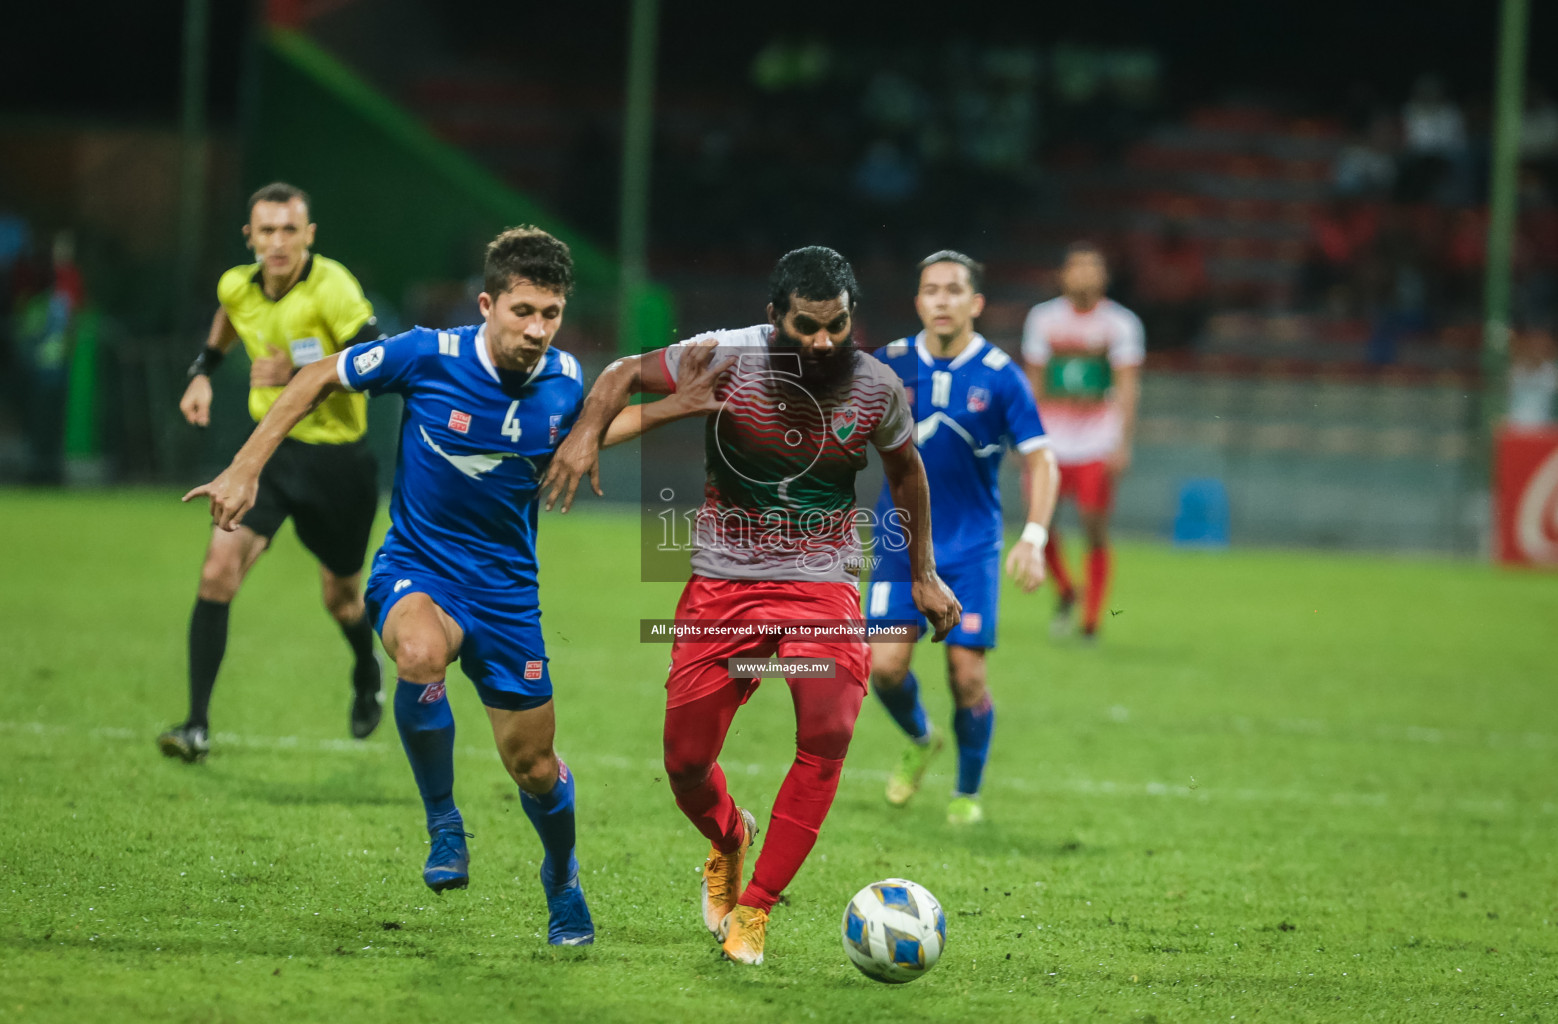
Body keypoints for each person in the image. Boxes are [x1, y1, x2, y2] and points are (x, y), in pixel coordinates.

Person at [182, 225, 628, 945]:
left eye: (550, 313)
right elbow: (315, 374)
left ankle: (563, 875)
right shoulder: (427, 353)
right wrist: (246, 465)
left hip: (508, 592)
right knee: (418, 655)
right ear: (487, 305)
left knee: (536, 766)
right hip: (419, 568)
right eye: (523, 311)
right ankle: (445, 823)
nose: (537, 328)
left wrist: (680, 407)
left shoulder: (568, 378)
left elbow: (596, 424)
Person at [542, 246, 960, 966]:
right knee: (684, 763)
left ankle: (755, 912)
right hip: (722, 583)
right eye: (808, 326)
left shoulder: (878, 387)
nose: (825, 341)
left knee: (827, 732)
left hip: (821, 580)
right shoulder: (725, 356)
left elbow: (907, 470)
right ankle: (730, 837)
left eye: (838, 325)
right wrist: (584, 436)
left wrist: (923, 573)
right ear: (774, 319)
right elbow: (618, 374)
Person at [158, 183, 385, 762]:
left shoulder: (331, 287)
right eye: (267, 231)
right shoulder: (237, 284)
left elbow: (378, 358)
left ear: (309, 235)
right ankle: (196, 726)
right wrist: (204, 370)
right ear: (250, 237)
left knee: (341, 598)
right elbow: (230, 314)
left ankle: (366, 669)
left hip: (339, 464)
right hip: (271, 455)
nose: (278, 242)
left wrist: (303, 369)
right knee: (216, 574)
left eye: (290, 230)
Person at [865, 251, 1058, 825]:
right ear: (918, 301)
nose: (942, 300)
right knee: (886, 670)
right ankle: (923, 740)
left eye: (954, 290)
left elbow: (1043, 459)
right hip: (900, 543)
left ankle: (966, 794)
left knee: (967, 675)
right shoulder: (888, 365)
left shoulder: (1000, 375)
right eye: (931, 290)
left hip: (971, 546)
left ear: (975, 303)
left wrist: (1035, 536)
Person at [1021, 242, 1143, 643]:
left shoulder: (1122, 324)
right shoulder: (1043, 319)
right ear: (1063, 275)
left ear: (1105, 277)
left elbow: (1127, 387)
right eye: (1077, 267)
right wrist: (1025, 437)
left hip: (1096, 439)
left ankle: (1091, 619)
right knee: (1041, 520)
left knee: (1093, 524)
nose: (1085, 274)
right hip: (1052, 441)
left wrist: (1122, 443)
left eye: (1093, 267)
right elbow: (1033, 383)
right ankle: (1066, 589)